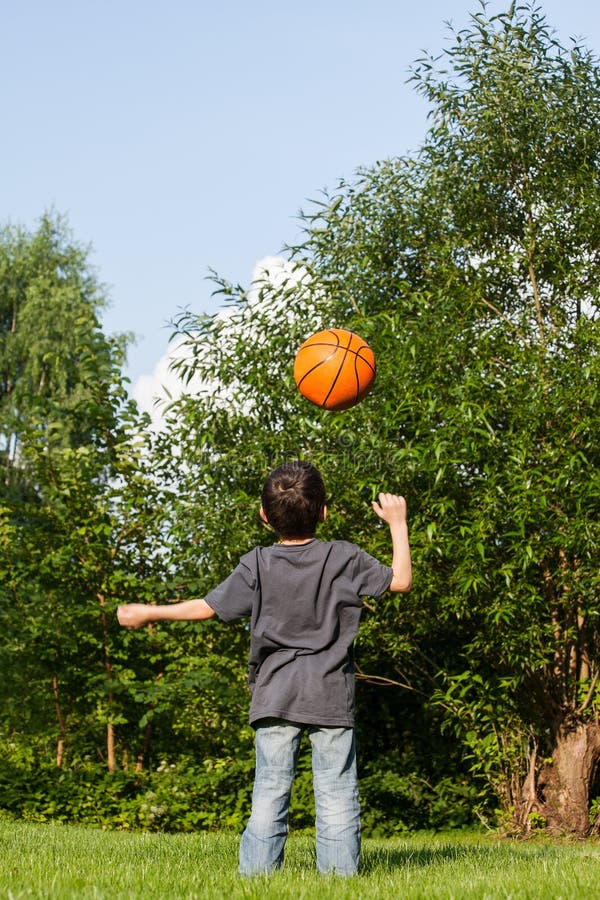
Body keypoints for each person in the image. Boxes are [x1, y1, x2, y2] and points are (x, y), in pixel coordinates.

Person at [117, 460, 412, 876]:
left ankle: (256, 879)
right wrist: (397, 524)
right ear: (324, 512)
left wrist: (150, 611)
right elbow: (400, 581)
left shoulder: (256, 564)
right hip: (328, 694)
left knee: (270, 790)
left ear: (263, 516)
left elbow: (207, 608)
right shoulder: (343, 557)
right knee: (337, 791)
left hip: (275, 693)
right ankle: (341, 881)